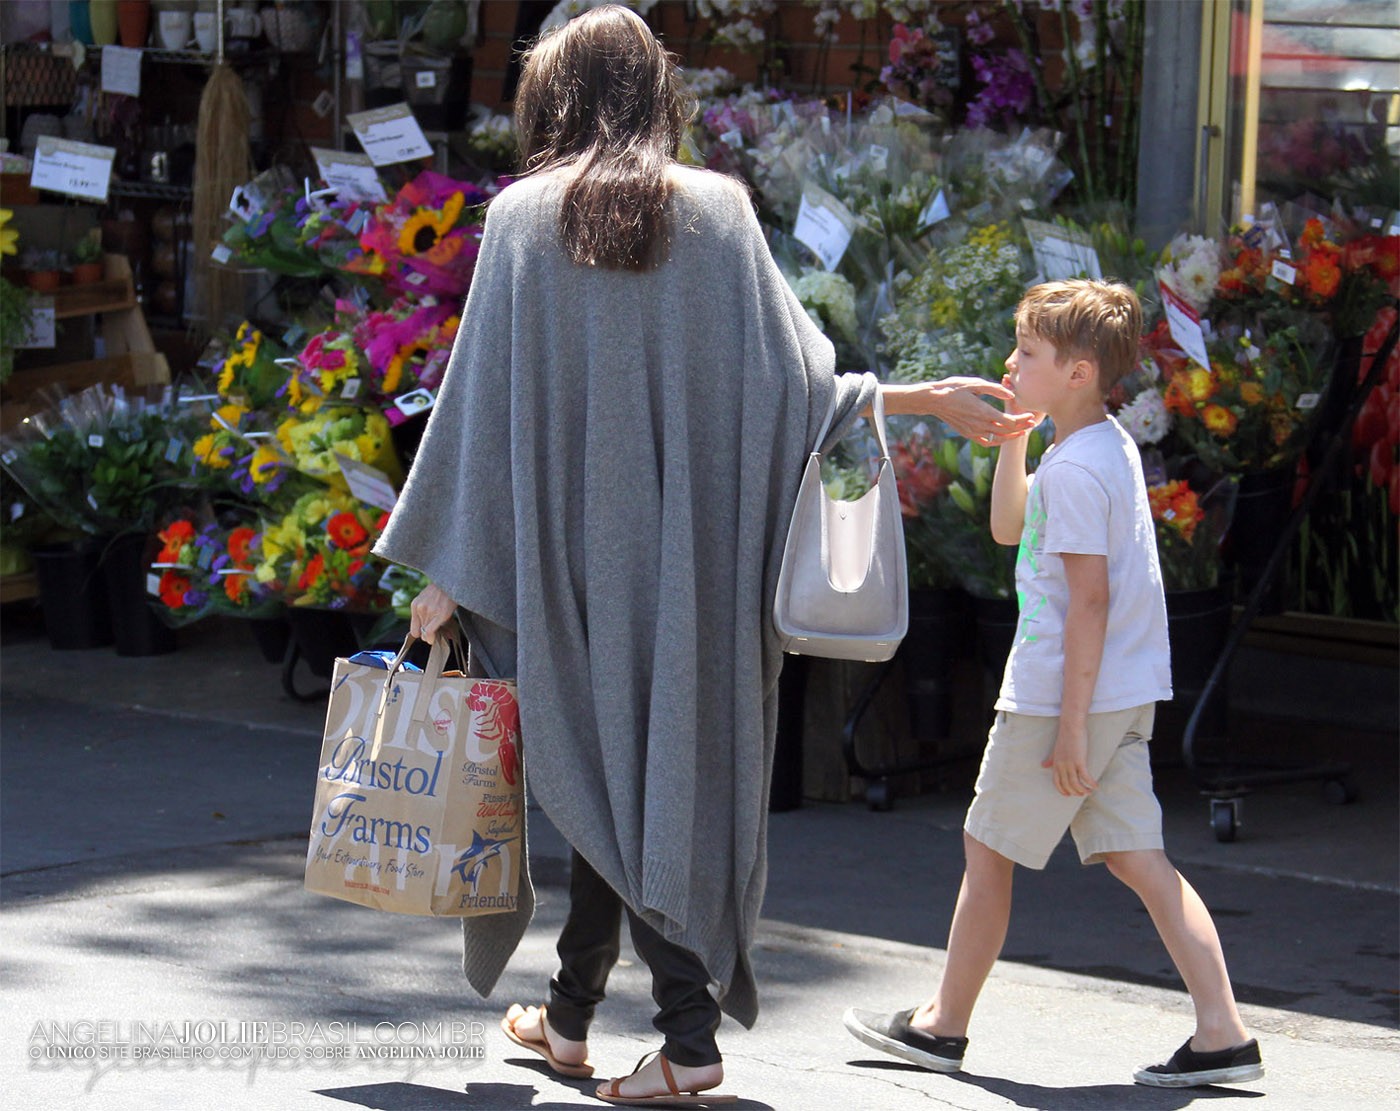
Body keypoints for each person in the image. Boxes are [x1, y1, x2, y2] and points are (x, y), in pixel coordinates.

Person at [375, 6, 1035, 1104]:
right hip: (692, 574)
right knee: (638, 774)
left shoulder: (521, 220)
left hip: (567, 571)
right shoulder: (721, 214)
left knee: (602, 767)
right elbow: (794, 389)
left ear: (556, 97)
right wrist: (912, 400)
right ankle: (572, 1013)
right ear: (653, 92)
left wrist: (449, 570)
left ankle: (687, 1045)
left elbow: (476, 418)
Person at [843, 279, 1264, 1090]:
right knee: (1139, 857)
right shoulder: (1098, 447)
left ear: (1077, 372)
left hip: (1059, 698)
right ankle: (1224, 1031)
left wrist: (1070, 727)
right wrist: (1013, 442)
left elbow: (1089, 604)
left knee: (986, 845)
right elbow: (1011, 528)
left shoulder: (1078, 472)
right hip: (1118, 694)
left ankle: (942, 1025)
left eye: (1027, 352)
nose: (1009, 361)